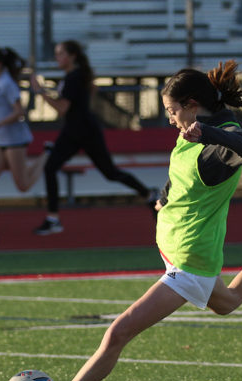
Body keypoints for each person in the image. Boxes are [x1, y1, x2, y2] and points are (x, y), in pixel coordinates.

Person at [22, 60, 242, 381]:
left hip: (190, 260)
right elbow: (180, 174)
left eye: (173, 111)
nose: (170, 119)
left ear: (192, 104)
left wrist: (206, 132)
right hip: (177, 251)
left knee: (118, 332)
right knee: (229, 301)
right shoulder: (191, 133)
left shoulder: (214, 141)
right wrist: (164, 196)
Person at [29, 40, 156, 235]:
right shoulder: (74, 76)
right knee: (50, 167)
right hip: (73, 131)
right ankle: (52, 218)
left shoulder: (75, 77)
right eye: (56, 54)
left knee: (110, 172)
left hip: (85, 131)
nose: (57, 58)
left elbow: (62, 108)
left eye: (61, 53)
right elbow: (86, 95)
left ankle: (149, 194)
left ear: (72, 56)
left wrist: (40, 92)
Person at [0, 46, 47, 244]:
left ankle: (46, 156)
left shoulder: (7, 83)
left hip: (14, 141)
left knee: (23, 185)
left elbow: (18, 112)